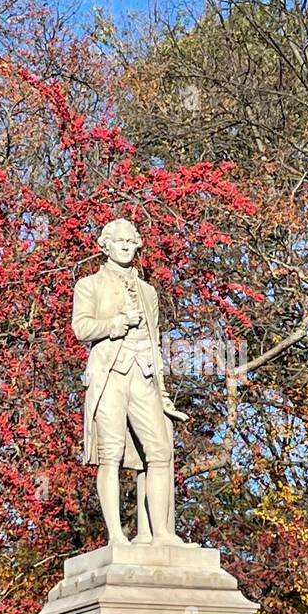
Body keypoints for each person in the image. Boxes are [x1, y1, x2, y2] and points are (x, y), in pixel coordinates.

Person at [72, 218, 191, 546]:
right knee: (111, 453)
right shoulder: (89, 285)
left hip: (143, 376)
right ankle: (115, 536)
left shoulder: (148, 291)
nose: (125, 246)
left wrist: (163, 392)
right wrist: (116, 323)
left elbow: (155, 342)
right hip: (109, 375)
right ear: (105, 245)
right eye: (118, 241)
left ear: (137, 245)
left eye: (130, 241)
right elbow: (81, 328)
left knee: (160, 451)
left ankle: (161, 533)